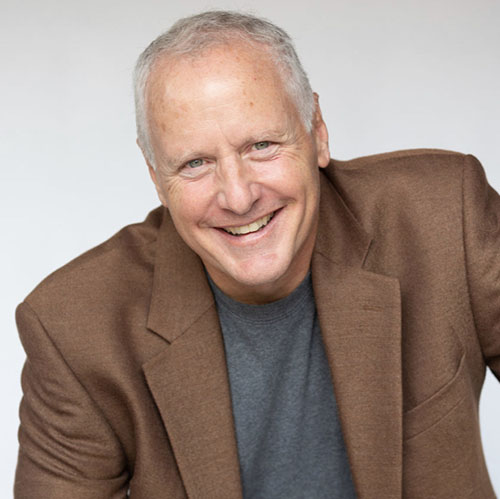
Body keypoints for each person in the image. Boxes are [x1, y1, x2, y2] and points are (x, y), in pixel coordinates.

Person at [14, 10, 499, 499]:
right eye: (195, 163)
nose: (238, 196)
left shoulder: (444, 217)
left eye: (261, 145)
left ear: (317, 130)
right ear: (155, 175)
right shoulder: (74, 327)